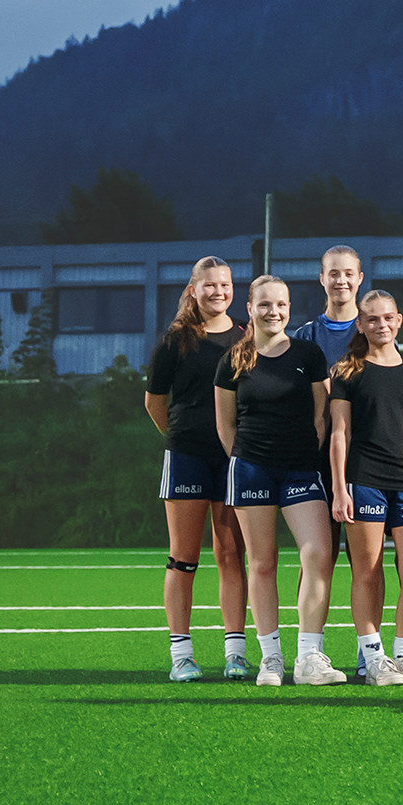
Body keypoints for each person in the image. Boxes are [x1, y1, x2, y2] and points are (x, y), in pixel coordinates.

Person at [213, 275, 342, 687]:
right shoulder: (233, 360)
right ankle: (271, 659)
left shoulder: (308, 353)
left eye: (281, 304)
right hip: (252, 467)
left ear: (289, 308)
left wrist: (304, 449)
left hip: (301, 467)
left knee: (318, 553)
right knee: (263, 562)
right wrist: (251, 456)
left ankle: (310, 657)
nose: (274, 312)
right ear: (249, 309)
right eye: (265, 304)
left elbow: (322, 417)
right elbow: (225, 426)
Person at [144, 256, 251, 681]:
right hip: (187, 456)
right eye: (209, 285)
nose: (218, 292)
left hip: (234, 459)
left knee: (231, 554)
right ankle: (182, 655)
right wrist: (180, 437)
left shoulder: (247, 337)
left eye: (225, 285)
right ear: (194, 290)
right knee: (184, 558)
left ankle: (235, 653)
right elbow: (154, 402)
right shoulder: (175, 340)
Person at [328, 290, 403, 686]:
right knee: (368, 572)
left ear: (399, 321)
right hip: (366, 480)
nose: (381, 325)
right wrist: (340, 489)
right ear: (360, 324)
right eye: (372, 319)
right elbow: (339, 432)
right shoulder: (346, 371)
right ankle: (374, 658)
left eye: (388, 318)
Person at [290, 247, 371, 668]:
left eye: (348, 274)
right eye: (333, 274)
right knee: (317, 555)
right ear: (321, 279)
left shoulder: (373, 330)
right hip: (315, 460)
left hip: (367, 461)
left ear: (360, 278)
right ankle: (310, 653)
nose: (341, 281)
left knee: (365, 560)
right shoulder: (303, 336)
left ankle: (367, 652)